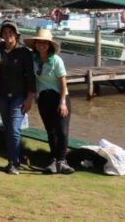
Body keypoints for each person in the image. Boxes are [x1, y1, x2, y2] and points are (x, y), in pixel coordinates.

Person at [25, 27, 74, 174]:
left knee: (62, 131)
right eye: (39, 42)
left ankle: (62, 161)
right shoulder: (34, 60)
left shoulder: (56, 60)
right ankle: (54, 160)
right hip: (44, 99)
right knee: (51, 131)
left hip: (59, 97)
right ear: (35, 44)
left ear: (50, 45)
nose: (42, 45)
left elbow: (62, 82)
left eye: (45, 43)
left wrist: (63, 102)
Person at [0, 20, 35, 175]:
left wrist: (29, 98)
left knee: (14, 128)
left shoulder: (25, 52)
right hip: (2, 95)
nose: (7, 35)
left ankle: (14, 162)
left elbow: (31, 77)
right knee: (7, 128)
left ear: (16, 35)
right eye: (4, 32)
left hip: (19, 96)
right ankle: (13, 157)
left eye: (10, 32)